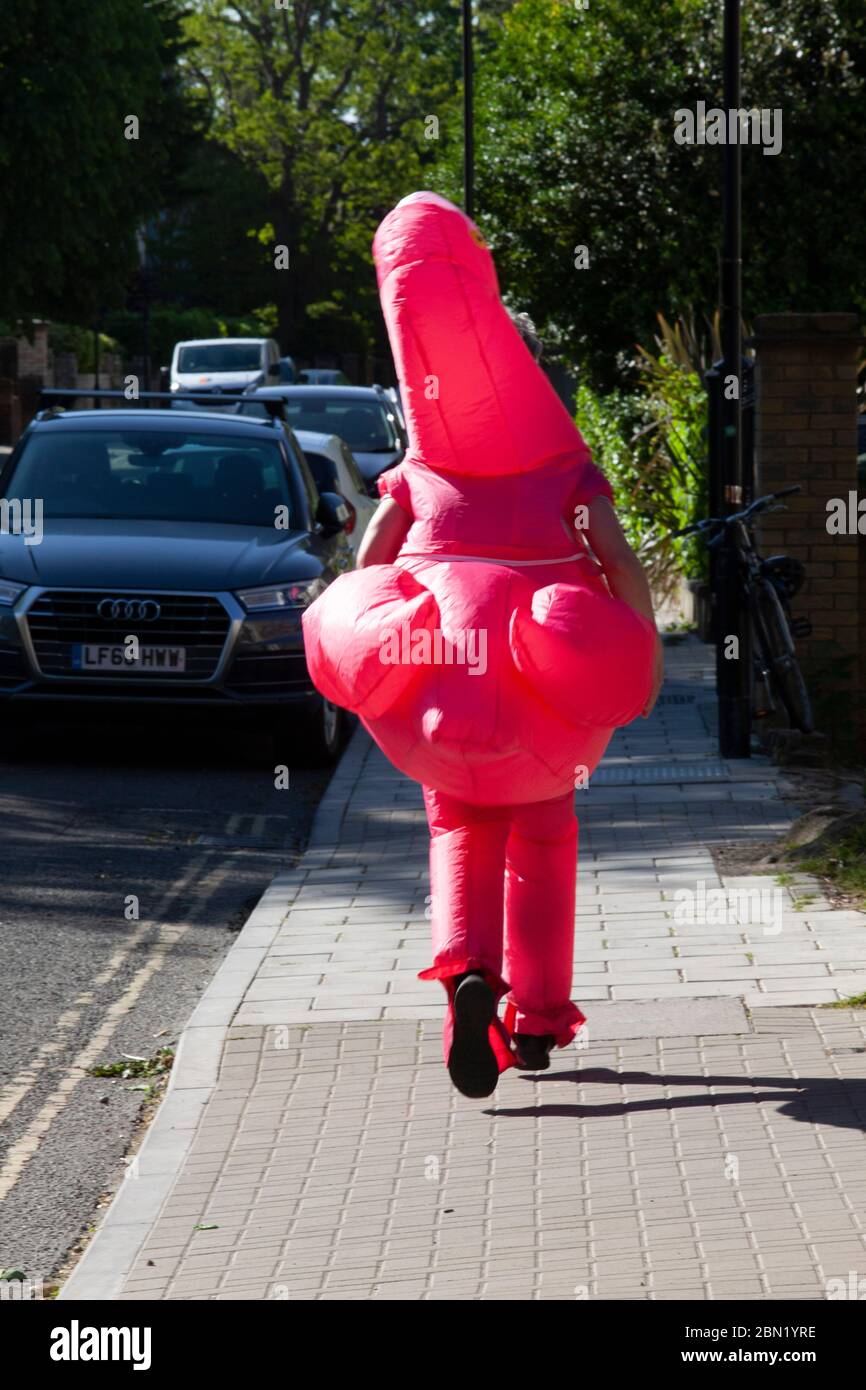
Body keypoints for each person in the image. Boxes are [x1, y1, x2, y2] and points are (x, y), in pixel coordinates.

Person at [302, 191, 663, 1099]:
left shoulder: (421, 468)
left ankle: (468, 976)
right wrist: (638, 650)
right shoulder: (568, 468)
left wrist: (382, 618)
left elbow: (369, 556)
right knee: (544, 838)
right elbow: (620, 564)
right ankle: (537, 1022)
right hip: (547, 694)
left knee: (458, 824)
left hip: (439, 693)